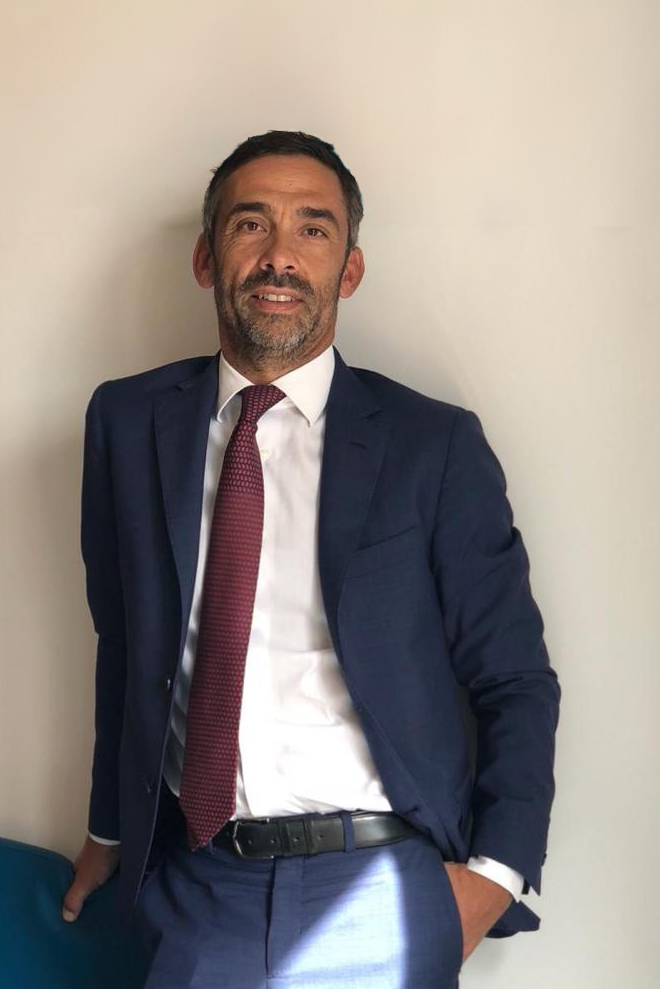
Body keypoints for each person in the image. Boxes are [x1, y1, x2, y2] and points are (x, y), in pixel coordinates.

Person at [61, 131, 560, 988]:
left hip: (380, 885)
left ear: (349, 270)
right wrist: (110, 829)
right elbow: (125, 646)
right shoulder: (128, 424)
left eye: (313, 229)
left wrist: (493, 879)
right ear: (206, 259)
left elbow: (514, 677)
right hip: (197, 885)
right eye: (250, 224)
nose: (280, 255)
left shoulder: (431, 446)